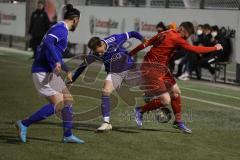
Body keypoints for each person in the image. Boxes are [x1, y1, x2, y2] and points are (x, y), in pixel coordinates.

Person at [130, 22, 223, 134]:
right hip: (152, 69)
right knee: (165, 100)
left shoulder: (165, 32)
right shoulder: (177, 38)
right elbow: (195, 50)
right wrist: (215, 47)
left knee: (175, 92)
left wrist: (130, 53)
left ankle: (178, 122)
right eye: (186, 35)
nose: (186, 38)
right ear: (181, 29)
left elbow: (147, 43)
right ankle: (140, 110)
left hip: (161, 68)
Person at [15, 4, 84, 144]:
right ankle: (24, 123)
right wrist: (57, 64)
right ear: (75, 20)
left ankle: (68, 135)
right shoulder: (61, 30)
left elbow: (55, 52)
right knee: (59, 104)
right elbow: (47, 43)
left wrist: (66, 69)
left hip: (49, 71)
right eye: (79, 21)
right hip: (42, 71)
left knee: (68, 100)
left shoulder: (58, 27)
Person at [69, 31, 145, 132]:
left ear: (101, 44)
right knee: (105, 90)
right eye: (96, 53)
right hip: (114, 73)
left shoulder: (114, 39)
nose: (99, 54)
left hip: (128, 68)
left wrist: (143, 39)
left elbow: (132, 33)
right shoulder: (94, 53)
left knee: (147, 87)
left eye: (99, 51)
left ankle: (149, 105)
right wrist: (73, 79)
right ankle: (106, 123)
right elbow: (83, 65)